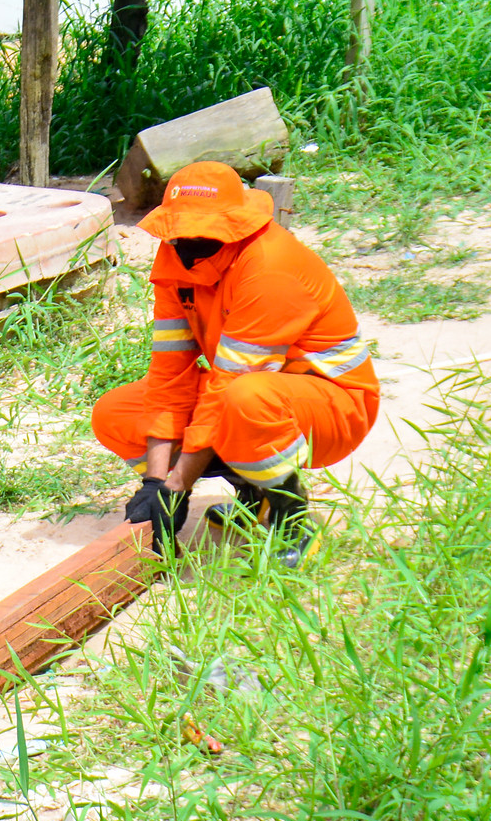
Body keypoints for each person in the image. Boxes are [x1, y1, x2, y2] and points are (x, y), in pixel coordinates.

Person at [91, 161, 380, 565]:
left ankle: (290, 515)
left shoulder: (269, 266)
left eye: (203, 233)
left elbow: (230, 382)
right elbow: (170, 373)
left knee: (244, 399)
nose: (188, 242)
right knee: (116, 413)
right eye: (180, 233)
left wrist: (178, 486)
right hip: (252, 391)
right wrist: (154, 483)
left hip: (333, 405)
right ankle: (252, 495)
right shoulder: (176, 257)